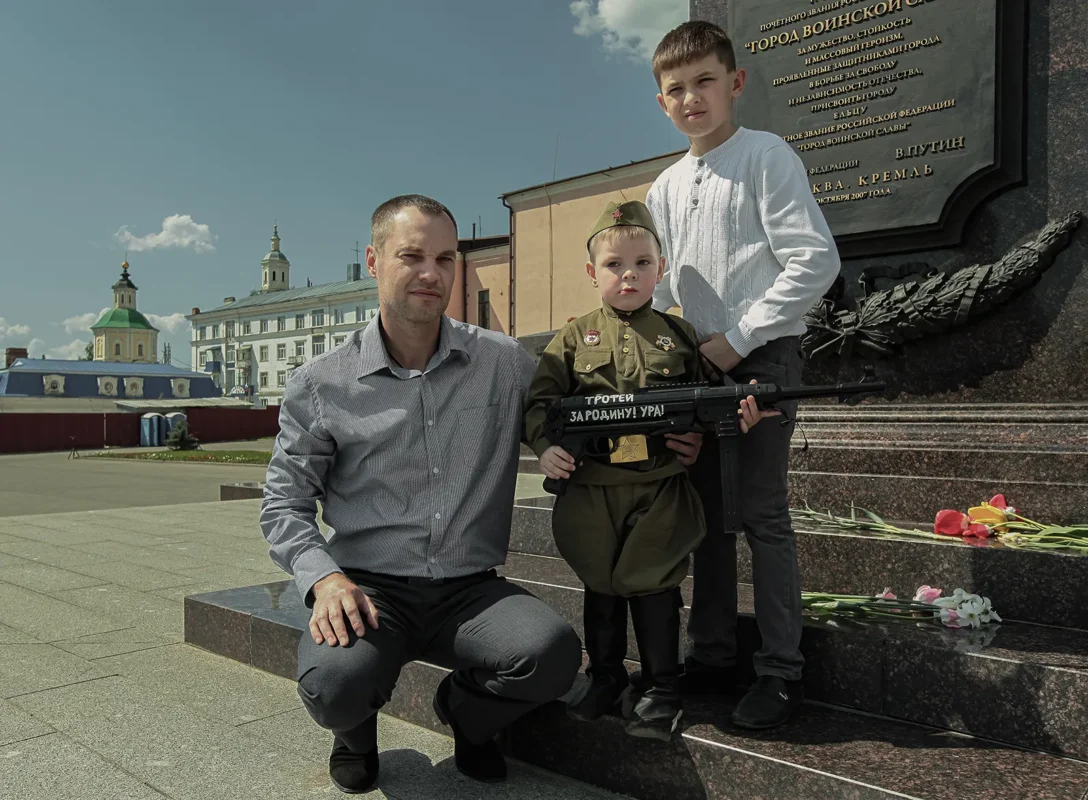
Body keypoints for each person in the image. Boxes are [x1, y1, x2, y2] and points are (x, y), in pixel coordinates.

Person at [260, 194, 582, 794]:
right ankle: (355, 733)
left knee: (553, 653)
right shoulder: (322, 382)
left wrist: (687, 424)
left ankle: (467, 716)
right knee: (334, 686)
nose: (431, 274)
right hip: (369, 588)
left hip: (469, 590)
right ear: (374, 260)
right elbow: (283, 502)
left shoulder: (504, 363)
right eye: (411, 256)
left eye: (445, 258)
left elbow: (579, 407)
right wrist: (324, 580)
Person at [646, 21, 842, 730]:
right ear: (662, 102)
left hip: (762, 359)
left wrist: (742, 337)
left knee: (760, 512)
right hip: (696, 368)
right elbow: (662, 289)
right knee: (706, 519)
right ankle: (711, 658)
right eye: (676, 89)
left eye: (704, 81)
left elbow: (814, 260)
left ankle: (779, 671)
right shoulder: (664, 185)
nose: (692, 98)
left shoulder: (766, 155)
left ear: (735, 82)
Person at [524, 200, 770, 741]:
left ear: (660, 269)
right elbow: (540, 406)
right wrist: (545, 448)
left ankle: (661, 688)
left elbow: (703, 399)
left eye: (641, 263)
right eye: (614, 265)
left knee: (655, 581)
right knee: (600, 577)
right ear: (592, 273)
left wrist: (725, 418)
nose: (628, 274)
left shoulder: (679, 337)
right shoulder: (570, 340)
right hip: (592, 487)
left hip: (659, 485)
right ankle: (606, 678)